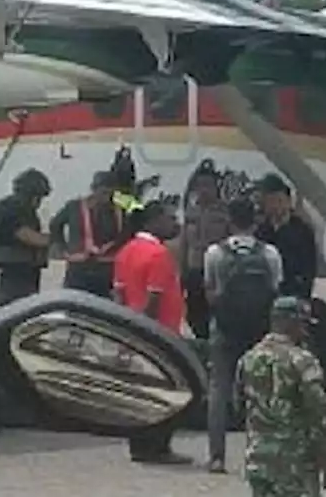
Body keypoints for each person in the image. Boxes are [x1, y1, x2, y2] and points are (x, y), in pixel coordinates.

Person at [205, 196, 284, 474]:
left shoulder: (215, 253)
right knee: (260, 393)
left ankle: (216, 457)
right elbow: (275, 291)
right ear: (255, 220)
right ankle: (259, 454)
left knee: (219, 390)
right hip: (259, 331)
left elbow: (210, 293)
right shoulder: (270, 254)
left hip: (225, 329)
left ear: (230, 220)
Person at [113, 199, 191, 465]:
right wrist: (149, 333)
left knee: (137, 392)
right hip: (160, 333)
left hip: (131, 332)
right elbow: (153, 300)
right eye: (170, 219)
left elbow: (119, 295)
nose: (175, 224)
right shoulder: (158, 255)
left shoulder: (126, 251)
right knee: (166, 391)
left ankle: (139, 445)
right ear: (153, 221)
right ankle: (158, 447)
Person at [237, 296, 326, 497]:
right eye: (303, 324)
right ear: (291, 323)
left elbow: (238, 404)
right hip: (294, 462)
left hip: (258, 457)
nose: (305, 330)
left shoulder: (248, 358)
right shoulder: (302, 360)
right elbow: (318, 413)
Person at [50, 171, 123, 298]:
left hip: (105, 269)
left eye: (110, 193)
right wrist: (60, 246)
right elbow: (55, 225)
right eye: (103, 192)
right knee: (73, 302)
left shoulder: (119, 211)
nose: (106, 197)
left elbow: (125, 234)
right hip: (78, 268)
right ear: (94, 189)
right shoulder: (73, 207)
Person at [181, 160, 232, 339]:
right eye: (200, 185)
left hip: (217, 273)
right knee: (194, 315)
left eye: (208, 185)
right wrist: (182, 273)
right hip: (195, 270)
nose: (204, 190)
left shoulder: (225, 212)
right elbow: (184, 244)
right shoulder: (190, 212)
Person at [0, 169, 52, 307]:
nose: (39, 202)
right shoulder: (11, 209)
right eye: (38, 197)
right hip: (16, 277)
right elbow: (25, 235)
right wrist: (55, 241)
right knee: (18, 312)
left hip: (25, 274)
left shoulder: (21, 209)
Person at [254, 174, 318, 300]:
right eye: (269, 201)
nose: (274, 206)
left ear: (288, 202)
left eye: (278, 200)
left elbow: (309, 269)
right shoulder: (261, 232)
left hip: (293, 294)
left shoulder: (302, 231)